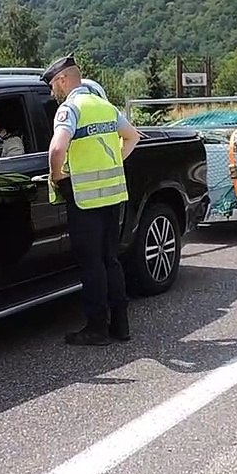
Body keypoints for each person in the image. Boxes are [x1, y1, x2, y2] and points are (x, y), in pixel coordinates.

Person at [43, 54, 140, 346]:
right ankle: (121, 325)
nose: (53, 91)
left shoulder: (70, 109)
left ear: (63, 80)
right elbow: (133, 137)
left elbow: (57, 149)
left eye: (53, 85)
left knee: (92, 264)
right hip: (112, 196)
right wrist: (114, 162)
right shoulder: (105, 106)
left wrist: (57, 176)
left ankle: (97, 328)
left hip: (84, 199)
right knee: (111, 259)